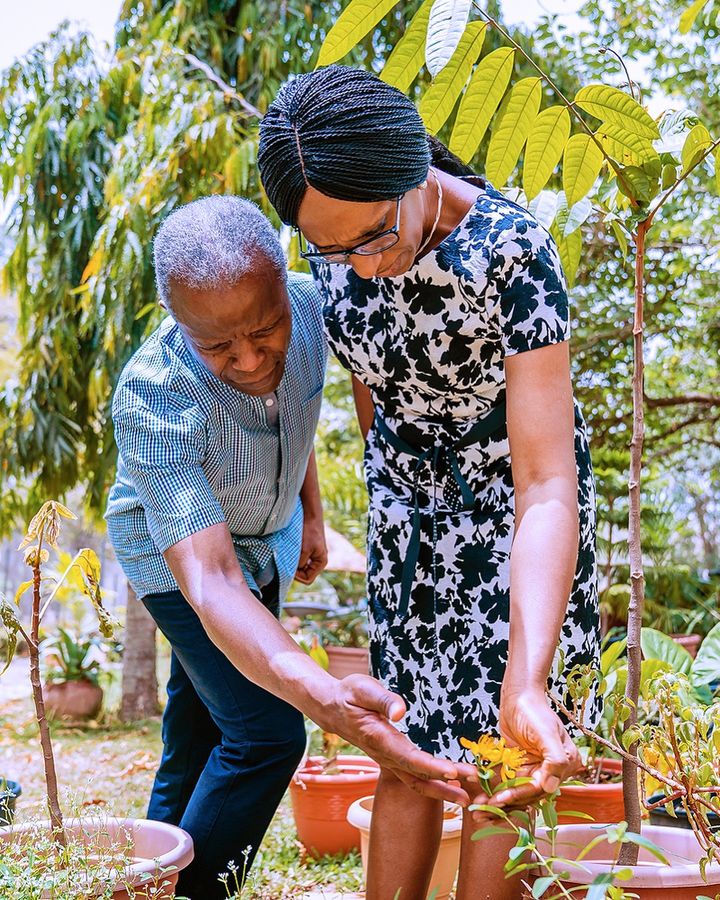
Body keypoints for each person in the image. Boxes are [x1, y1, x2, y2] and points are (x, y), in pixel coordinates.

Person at [258, 66, 601, 899]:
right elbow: (372, 388)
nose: (360, 268)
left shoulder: (510, 253)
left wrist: (526, 676)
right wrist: (388, 504)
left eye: (373, 237)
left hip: (512, 522)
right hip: (412, 523)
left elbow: (547, 479)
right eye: (331, 250)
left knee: (499, 762)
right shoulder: (340, 242)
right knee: (404, 747)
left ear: (413, 171)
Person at [105, 196, 474, 899]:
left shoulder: (315, 305)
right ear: (179, 323)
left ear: (285, 283)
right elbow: (212, 584)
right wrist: (329, 700)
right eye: (219, 346)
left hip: (265, 536)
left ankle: (142, 887)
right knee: (266, 734)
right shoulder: (152, 396)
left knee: (197, 729)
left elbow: (290, 408)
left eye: (264, 329)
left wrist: (311, 512)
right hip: (174, 557)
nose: (249, 359)